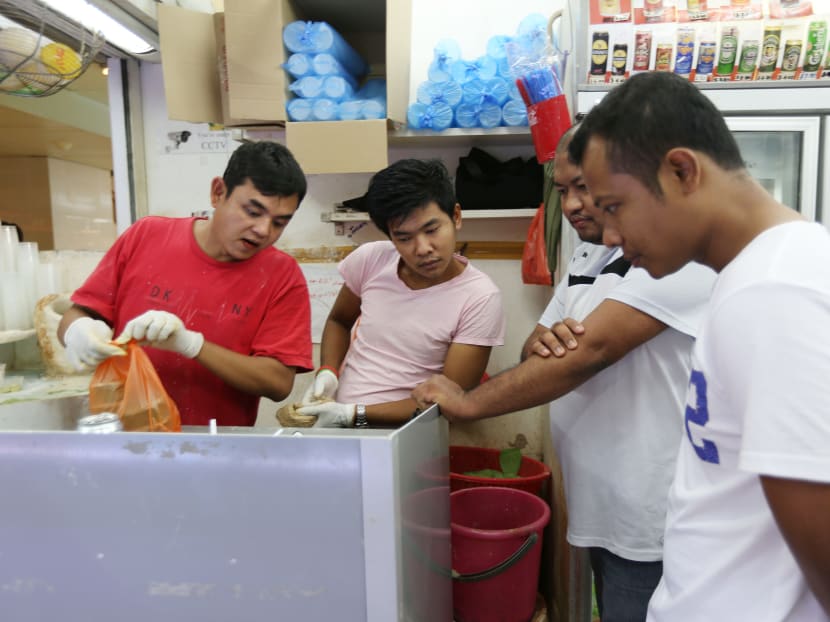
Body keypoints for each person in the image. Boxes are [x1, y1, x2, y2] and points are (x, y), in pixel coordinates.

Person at [414, 126, 714, 621]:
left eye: (586, 188)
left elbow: (588, 351)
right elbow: (538, 346)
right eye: (562, 190)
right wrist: (552, 348)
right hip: (600, 497)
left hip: (654, 509)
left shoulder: (676, 254)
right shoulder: (588, 252)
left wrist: (467, 403)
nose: (573, 205)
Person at [566, 71, 830, 621]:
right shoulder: (751, 276)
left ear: (681, 171)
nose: (609, 236)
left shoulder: (775, 290)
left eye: (613, 207)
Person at [58, 140, 313, 427]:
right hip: (126, 433)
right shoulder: (146, 236)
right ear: (218, 192)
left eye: (279, 223)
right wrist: (78, 331)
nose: (263, 230)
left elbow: (278, 382)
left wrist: (191, 345)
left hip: (215, 442)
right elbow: (76, 314)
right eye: (253, 212)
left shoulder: (282, 276)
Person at [294, 158, 505, 428]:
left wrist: (353, 414)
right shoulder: (371, 260)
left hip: (409, 435)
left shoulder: (479, 297)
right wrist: (328, 371)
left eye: (432, 230)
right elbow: (339, 321)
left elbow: (450, 402)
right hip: (340, 423)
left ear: (456, 216)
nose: (423, 248)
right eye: (404, 238)